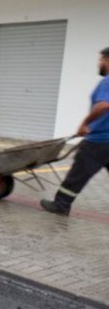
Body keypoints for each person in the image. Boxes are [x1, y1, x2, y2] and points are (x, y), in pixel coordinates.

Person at [41, 47, 109, 216]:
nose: (99, 63)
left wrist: (85, 123)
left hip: (99, 140)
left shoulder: (107, 81)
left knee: (78, 173)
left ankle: (61, 204)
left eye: (101, 59)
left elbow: (103, 105)